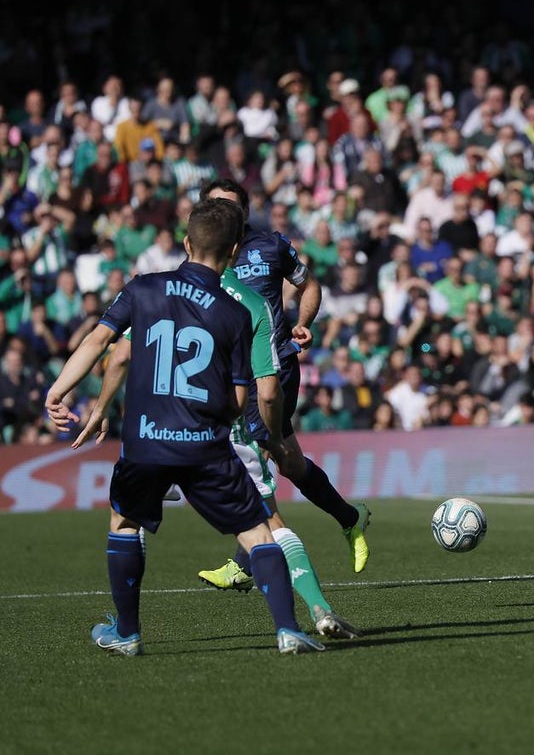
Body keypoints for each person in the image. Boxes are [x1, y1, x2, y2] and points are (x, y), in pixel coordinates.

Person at [43, 198, 325, 655]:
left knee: (124, 521)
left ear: (186, 242)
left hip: (146, 441)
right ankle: (288, 629)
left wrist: (59, 390)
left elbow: (103, 342)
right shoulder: (236, 313)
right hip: (205, 444)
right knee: (256, 531)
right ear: (234, 252)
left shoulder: (144, 289)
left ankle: (128, 633)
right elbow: (239, 399)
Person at [198, 179, 371, 580]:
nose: (222, 214)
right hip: (230, 374)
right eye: (214, 206)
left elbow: (309, 284)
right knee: (286, 459)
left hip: (274, 366)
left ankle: (246, 561)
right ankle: (350, 518)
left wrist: (303, 323)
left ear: (243, 211)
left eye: (230, 206)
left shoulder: (270, 246)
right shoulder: (204, 255)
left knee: (252, 449)